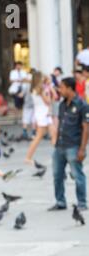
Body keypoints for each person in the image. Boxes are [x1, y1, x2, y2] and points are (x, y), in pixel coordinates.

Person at [48, 78, 89, 212]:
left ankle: (82, 202)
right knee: (57, 175)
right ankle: (60, 201)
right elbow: (60, 123)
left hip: (73, 146)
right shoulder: (62, 104)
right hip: (60, 145)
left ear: (70, 89)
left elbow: (86, 128)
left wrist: (82, 149)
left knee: (77, 175)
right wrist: (55, 138)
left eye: (62, 87)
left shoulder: (82, 105)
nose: (60, 90)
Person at [25, 72, 56, 164]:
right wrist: (51, 92)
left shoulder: (35, 89)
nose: (44, 79)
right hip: (44, 114)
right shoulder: (41, 89)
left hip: (41, 113)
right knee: (40, 136)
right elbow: (48, 101)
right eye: (42, 77)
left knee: (53, 133)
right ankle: (28, 157)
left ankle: (58, 156)